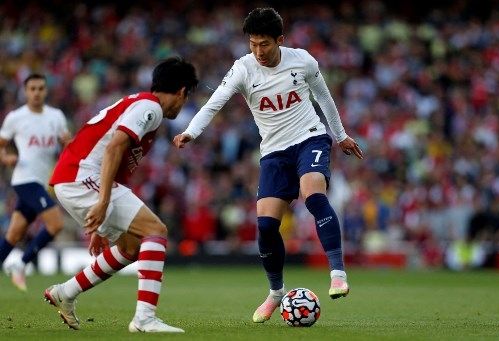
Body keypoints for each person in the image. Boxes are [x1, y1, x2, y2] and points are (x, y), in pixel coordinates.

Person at [173, 8, 363, 323]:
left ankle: (338, 272)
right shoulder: (243, 69)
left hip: (310, 138)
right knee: (265, 226)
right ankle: (276, 293)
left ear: (280, 40)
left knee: (313, 196)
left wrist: (340, 136)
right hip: (274, 151)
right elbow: (215, 101)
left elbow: (324, 99)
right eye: (253, 44)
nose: (258, 51)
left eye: (264, 44)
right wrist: (191, 131)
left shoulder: (302, 61)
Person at [43, 57, 198, 333]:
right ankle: (144, 319)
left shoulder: (142, 106)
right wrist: (102, 202)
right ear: (182, 92)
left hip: (75, 178)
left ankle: (65, 292)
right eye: (186, 98)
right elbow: (114, 147)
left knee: (131, 247)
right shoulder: (150, 108)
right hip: (80, 176)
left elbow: (116, 164)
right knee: (156, 230)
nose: (182, 104)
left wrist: (100, 224)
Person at [0, 73, 71, 291]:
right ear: (25, 91)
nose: (37, 93)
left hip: (44, 182)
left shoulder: (56, 116)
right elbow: (1, 145)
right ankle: (22, 263)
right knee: (56, 223)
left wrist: (68, 144)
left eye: (41, 88)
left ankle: (14, 262)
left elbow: (66, 145)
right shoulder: (16, 117)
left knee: (14, 234)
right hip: (24, 180)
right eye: (32, 89)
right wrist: (6, 158)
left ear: (46, 90)